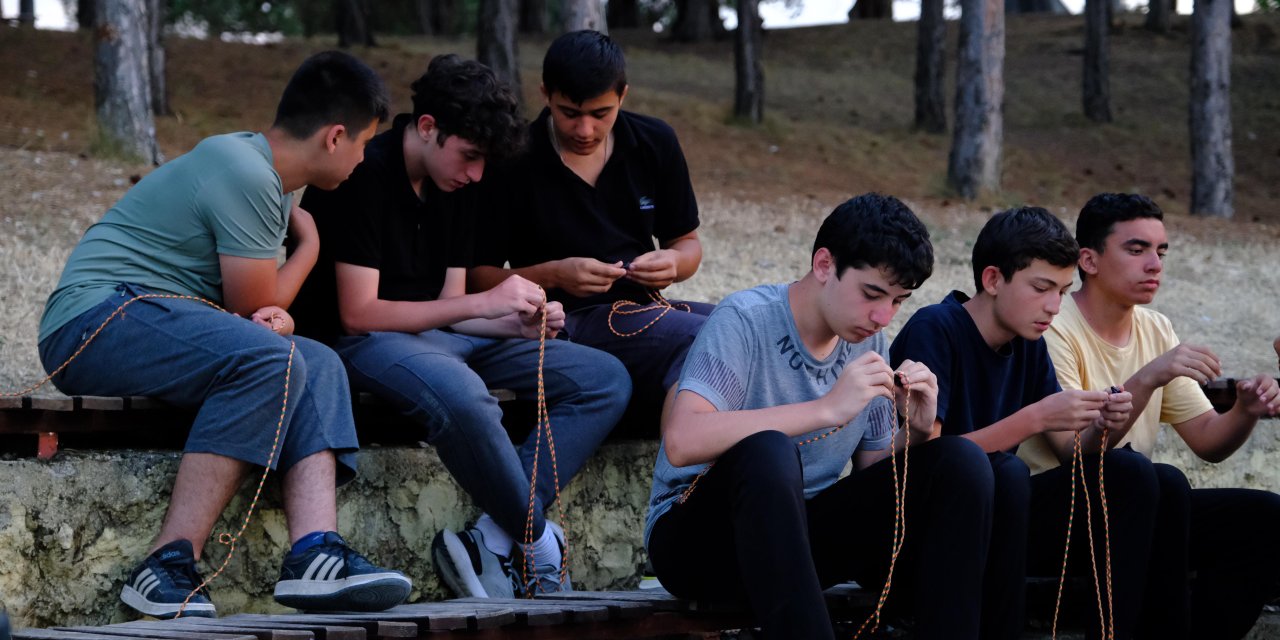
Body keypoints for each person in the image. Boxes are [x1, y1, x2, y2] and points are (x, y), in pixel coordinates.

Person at [37, 51, 411, 619]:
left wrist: (276, 321)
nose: (365, 158)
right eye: (363, 144)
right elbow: (254, 305)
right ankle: (165, 563)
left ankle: (314, 553)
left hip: (156, 318)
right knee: (272, 360)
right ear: (336, 136)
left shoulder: (270, 179)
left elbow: (256, 316)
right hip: (94, 320)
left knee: (319, 361)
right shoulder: (247, 171)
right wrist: (309, 248)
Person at [291, 54, 631, 599]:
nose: (475, 174)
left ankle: (494, 536)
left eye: (483, 162)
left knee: (604, 378)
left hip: (435, 337)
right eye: (469, 156)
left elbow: (451, 302)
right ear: (427, 128)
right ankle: (539, 542)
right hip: (358, 341)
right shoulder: (363, 173)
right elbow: (359, 312)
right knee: (466, 396)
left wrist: (510, 323)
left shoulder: (458, 183)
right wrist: (487, 301)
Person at [645, 193, 997, 640]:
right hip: (698, 541)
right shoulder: (746, 320)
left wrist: (920, 428)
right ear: (825, 264)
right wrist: (825, 408)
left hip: (799, 541)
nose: (882, 316)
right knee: (767, 449)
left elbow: (873, 469)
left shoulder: (870, 342)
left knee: (960, 462)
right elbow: (681, 439)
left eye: (898, 301)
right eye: (872, 294)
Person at [1022, 193, 1280, 639]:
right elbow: (1073, 453)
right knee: (1144, 475)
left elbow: (1208, 442)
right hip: (1054, 515)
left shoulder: (1156, 328)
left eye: (1161, 251)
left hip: (1138, 507)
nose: (1155, 264)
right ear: (1089, 259)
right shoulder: (1053, 324)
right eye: (1136, 249)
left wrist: (1246, 410)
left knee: (1262, 516)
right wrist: (1147, 379)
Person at [890, 207, 1154, 639]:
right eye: (1041, 287)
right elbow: (932, 456)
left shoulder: (1028, 342)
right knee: (1007, 472)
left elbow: (1070, 448)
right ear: (993, 280)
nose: (1054, 306)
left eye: (1064, 291)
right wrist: (1033, 417)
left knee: (1132, 473)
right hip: (926, 524)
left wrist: (1104, 422)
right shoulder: (936, 327)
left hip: (1002, 516)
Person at [470, 30, 710, 432]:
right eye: (569, 113)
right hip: (561, 321)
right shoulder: (512, 159)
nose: (584, 130)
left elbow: (686, 244)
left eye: (601, 114)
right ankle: (678, 476)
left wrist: (673, 263)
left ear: (623, 96)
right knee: (701, 336)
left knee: (741, 324)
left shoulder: (654, 141)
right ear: (545, 93)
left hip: (645, 308)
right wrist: (555, 274)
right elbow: (478, 278)